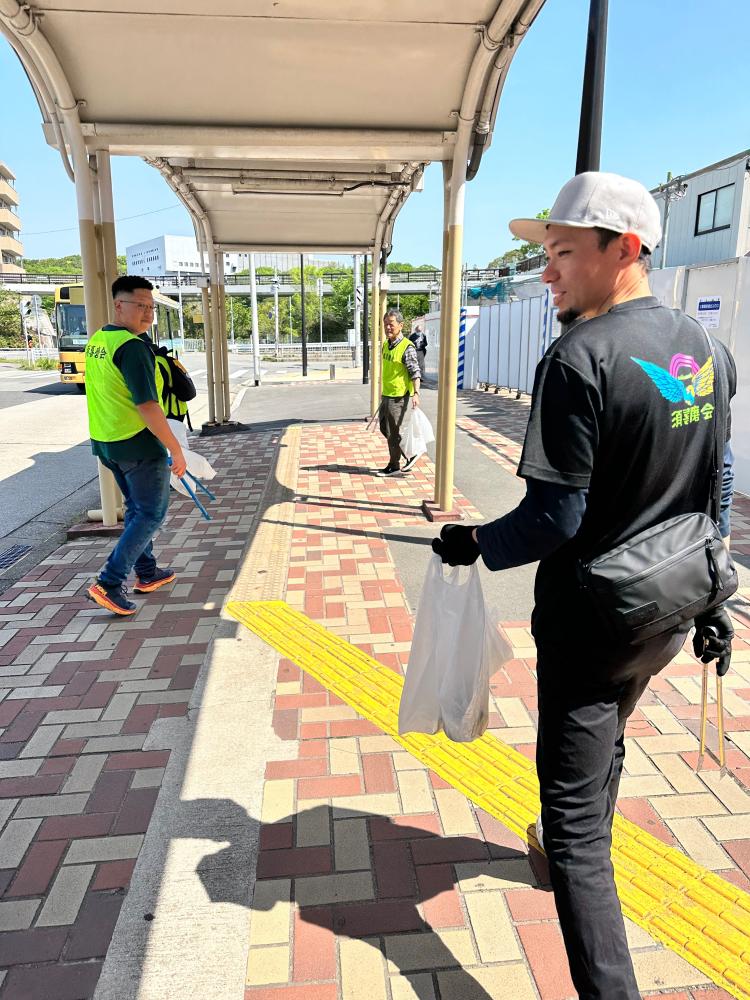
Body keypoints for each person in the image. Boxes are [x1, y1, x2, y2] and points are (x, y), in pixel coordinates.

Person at [432, 172, 736, 999]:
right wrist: (721, 596)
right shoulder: (708, 351)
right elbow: (718, 480)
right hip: (670, 608)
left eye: (563, 253)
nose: (547, 273)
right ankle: (571, 828)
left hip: (594, 617)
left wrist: (470, 544)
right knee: (606, 733)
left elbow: (553, 522)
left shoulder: (578, 359)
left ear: (625, 250)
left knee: (573, 836)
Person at [85, 275, 187, 616]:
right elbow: (148, 406)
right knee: (150, 513)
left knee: (135, 510)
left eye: (150, 306)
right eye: (139, 306)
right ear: (119, 305)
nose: (147, 313)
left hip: (108, 442)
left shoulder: (100, 340)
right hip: (138, 445)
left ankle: (147, 572)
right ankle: (109, 582)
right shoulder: (133, 348)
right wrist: (175, 447)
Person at [377, 308, 422, 476]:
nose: (388, 328)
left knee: (393, 431)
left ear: (401, 325)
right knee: (385, 429)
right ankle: (408, 453)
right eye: (385, 324)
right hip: (387, 394)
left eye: (391, 324)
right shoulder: (386, 345)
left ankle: (395, 464)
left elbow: (415, 372)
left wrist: (416, 393)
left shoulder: (406, 347)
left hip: (398, 396)